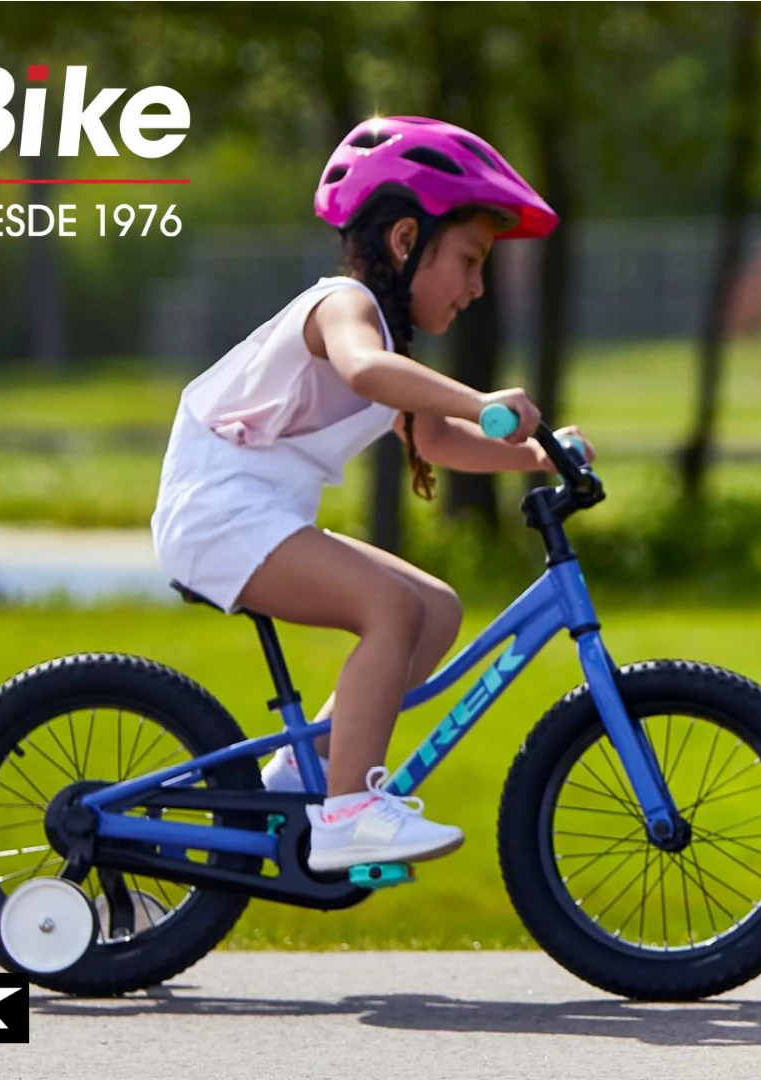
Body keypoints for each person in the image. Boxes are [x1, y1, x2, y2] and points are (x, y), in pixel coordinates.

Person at [150, 116, 586, 873]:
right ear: (406, 239)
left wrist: (536, 454)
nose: (478, 286)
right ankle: (348, 816)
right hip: (219, 514)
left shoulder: (389, 343)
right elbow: (363, 372)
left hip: (258, 516)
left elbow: (437, 441)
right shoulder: (343, 309)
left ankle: (303, 776)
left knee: (435, 609)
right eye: (470, 259)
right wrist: (480, 393)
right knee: (390, 608)